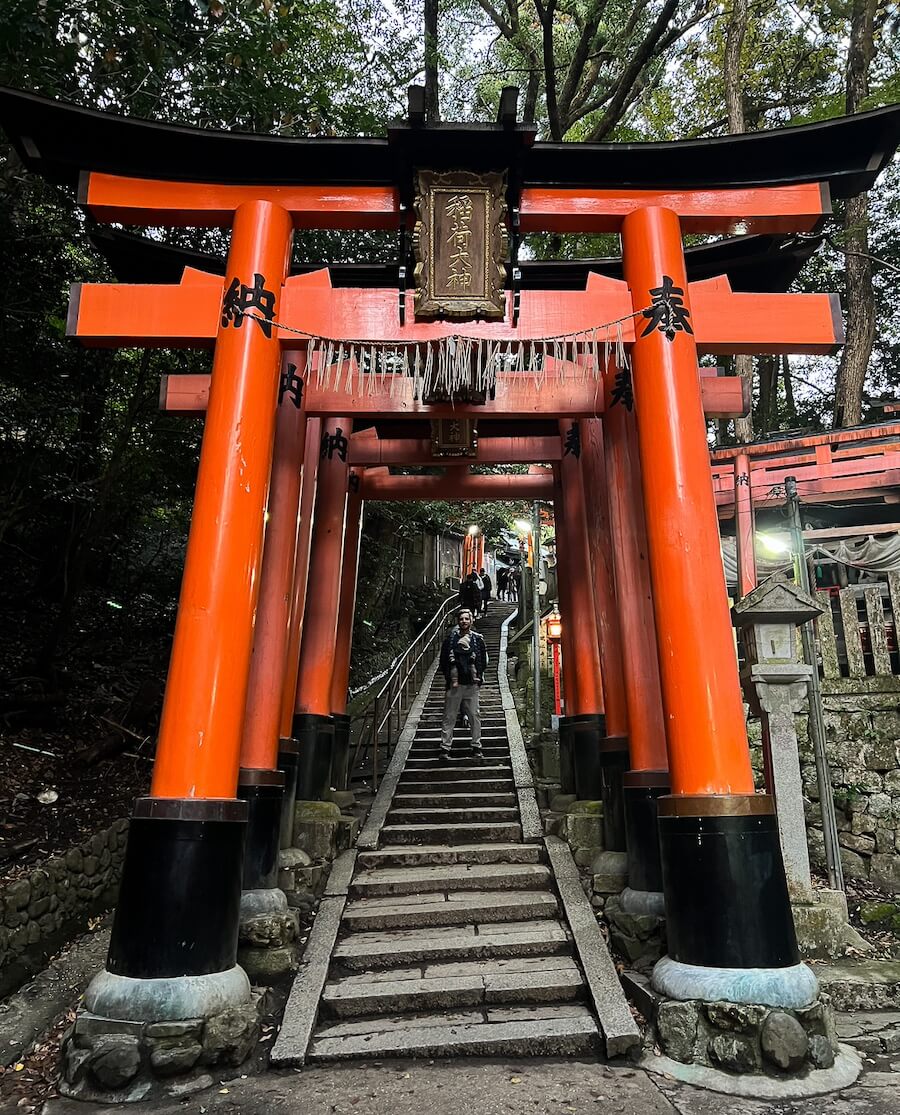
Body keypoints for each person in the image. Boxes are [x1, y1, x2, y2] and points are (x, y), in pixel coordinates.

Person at [438, 607, 488, 762]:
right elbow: (443, 661)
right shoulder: (449, 640)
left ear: (471, 620)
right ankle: (445, 747)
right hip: (455, 685)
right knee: (449, 716)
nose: (464, 621)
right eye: (461, 619)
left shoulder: (478, 640)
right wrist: (450, 677)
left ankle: (476, 745)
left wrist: (478, 675)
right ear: (458, 621)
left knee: (474, 715)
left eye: (467, 618)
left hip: (471, 686)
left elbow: (483, 660)